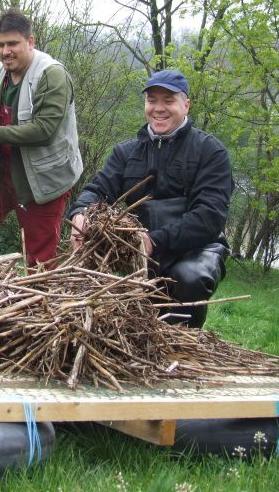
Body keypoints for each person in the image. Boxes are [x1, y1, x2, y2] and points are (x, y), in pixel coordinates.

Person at [67, 70, 232, 327]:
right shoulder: (126, 152)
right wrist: (80, 213)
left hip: (196, 248)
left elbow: (209, 217)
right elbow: (97, 190)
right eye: (152, 100)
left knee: (187, 278)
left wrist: (154, 240)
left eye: (168, 100)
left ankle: (186, 337)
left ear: (186, 104)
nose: (158, 108)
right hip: (141, 248)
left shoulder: (210, 152)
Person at [0, 8, 83, 265]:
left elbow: (45, 130)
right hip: (2, 172)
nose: (5, 51)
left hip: (43, 180)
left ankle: (37, 301)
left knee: (40, 259)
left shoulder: (51, 74)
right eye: (0, 45)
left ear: (30, 42)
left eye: (13, 43)